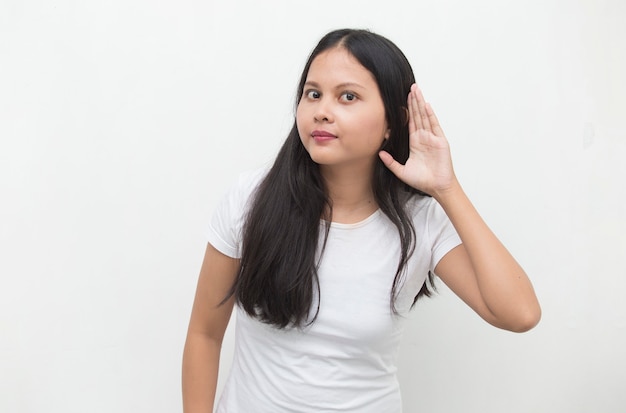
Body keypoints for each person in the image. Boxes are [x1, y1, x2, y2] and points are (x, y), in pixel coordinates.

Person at [182, 28, 541, 413]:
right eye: (313, 93)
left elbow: (519, 314)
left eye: (347, 96)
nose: (321, 109)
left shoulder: (420, 220)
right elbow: (204, 334)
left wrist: (447, 188)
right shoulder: (250, 198)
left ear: (392, 122)